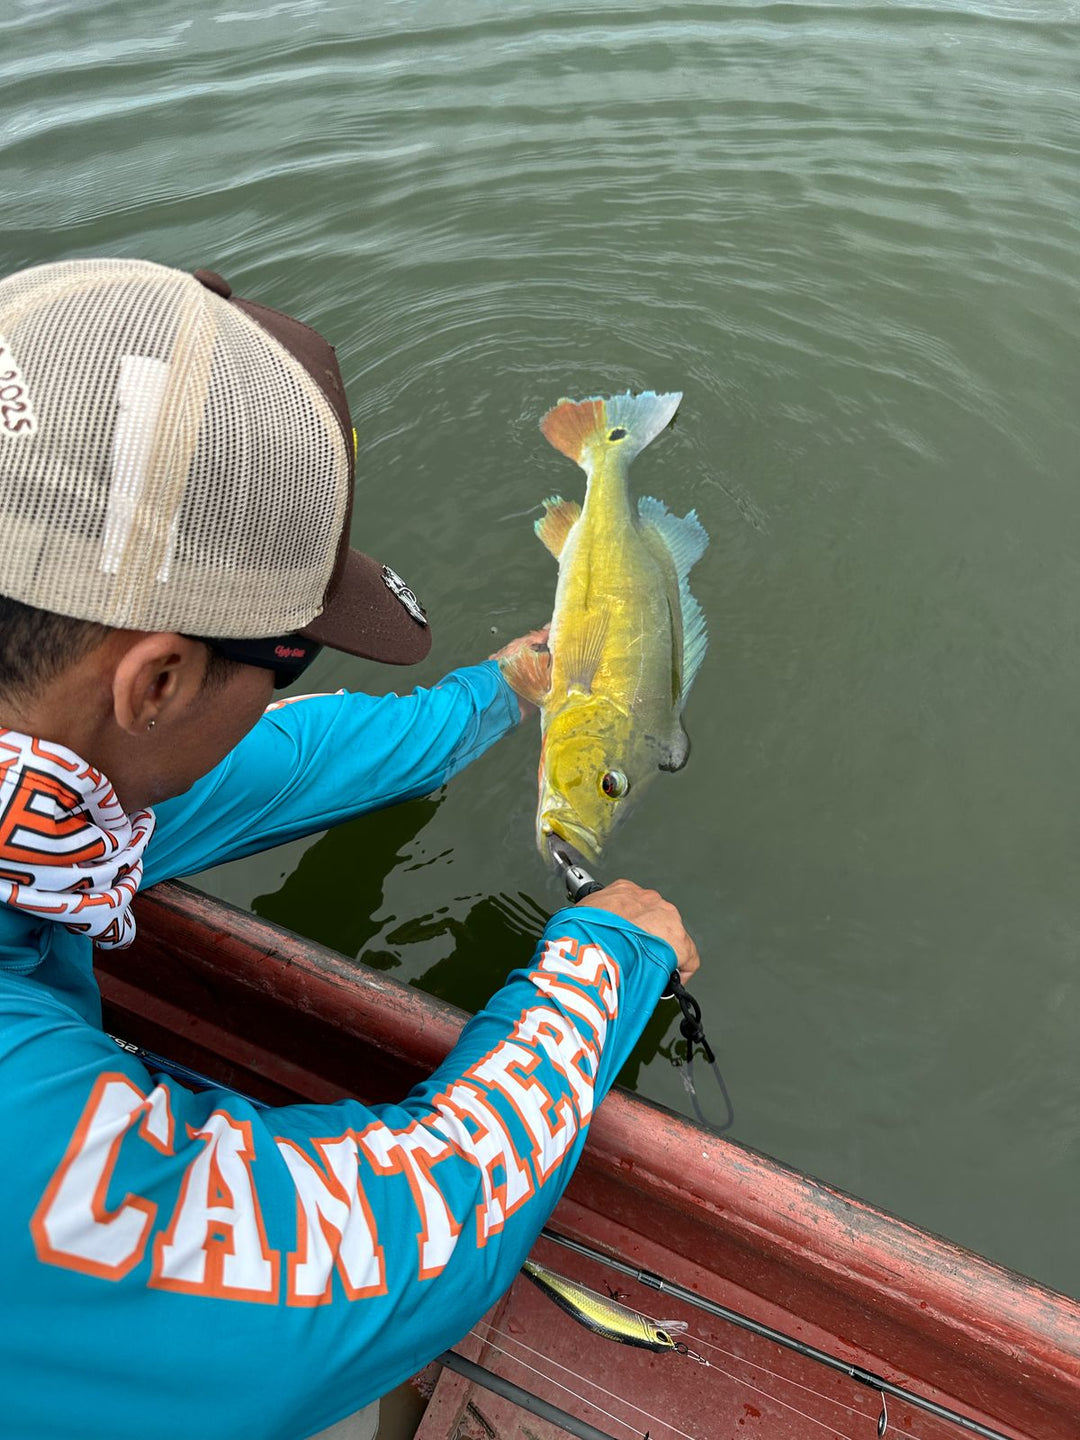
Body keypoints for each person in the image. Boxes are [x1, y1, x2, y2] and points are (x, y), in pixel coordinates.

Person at [0, 258, 699, 1440]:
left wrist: (498, 694)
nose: (288, 691)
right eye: (295, 653)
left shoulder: (54, 783)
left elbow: (272, 763)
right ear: (157, 678)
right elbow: (378, 1254)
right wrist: (602, 966)